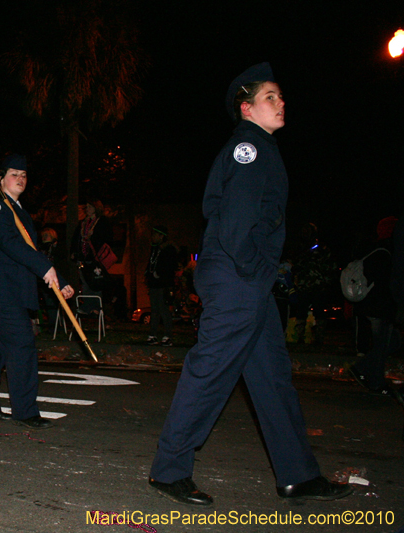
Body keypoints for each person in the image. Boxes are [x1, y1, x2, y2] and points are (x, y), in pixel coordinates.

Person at [148, 63, 352, 505]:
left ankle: (298, 475)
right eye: (270, 97)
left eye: (280, 96)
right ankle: (169, 470)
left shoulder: (261, 146)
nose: (281, 103)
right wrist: (254, 269)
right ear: (247, 108)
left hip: (247, 280)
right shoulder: (250, 147)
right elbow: (238, 221)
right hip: (238, 277)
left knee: (272, 377)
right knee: (210, 372)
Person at [0, 154, 73, 428]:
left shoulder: (19, 212)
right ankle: (25, 411)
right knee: (22, 345)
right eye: (14, 174)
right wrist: (44, 268)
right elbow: (9, 243)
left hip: (10, 291)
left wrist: (59, 279)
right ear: (1, 179)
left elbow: (32, 250)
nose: (20, 179)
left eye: (24, 175)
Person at [348, 217, 404, 402]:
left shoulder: (375, 248)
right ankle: (375, 381)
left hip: (374, 306)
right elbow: (388, 283)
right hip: (381, 307)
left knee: (391, 342)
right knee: (382, 345)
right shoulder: (386, 252)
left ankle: (363, 369)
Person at [70, 200, 112, 315]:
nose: (87, 209)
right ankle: (88, 306)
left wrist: (93, 238)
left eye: (89, 207)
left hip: (95, 258)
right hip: (83, 258)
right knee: (85, 282)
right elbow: (76, 238)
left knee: (96, 281)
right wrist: (74, 252)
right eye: (86, 207)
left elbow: (106, 238)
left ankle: (96, 307)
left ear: (96, 208)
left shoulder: (102, 222)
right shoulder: (83, 223)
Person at [145, 225, 176, 346]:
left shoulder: (168, 249)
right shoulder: (155, 249)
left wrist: (160, 274)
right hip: (154, 284)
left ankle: (168, 336)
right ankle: (153, 335)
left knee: (163, 310)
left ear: (161, 236)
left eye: (155, 235)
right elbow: (151, 264)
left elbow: (170, 267)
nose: (152, 237)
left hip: (163, 285)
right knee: (154, 310)